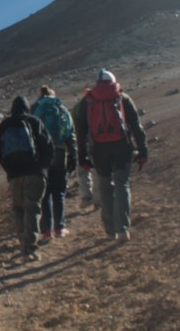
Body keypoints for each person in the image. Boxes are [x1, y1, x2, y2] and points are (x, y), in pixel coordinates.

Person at [77, 69, 148, 242]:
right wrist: (143, 150)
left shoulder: (87, 101)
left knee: (105, 186)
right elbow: (136, 127)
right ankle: (123, 229)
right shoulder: (122, 98)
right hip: (121, 147)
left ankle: (110, 230)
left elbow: (80, 132)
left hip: (99, 150)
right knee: (122, 185)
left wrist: (83, 157)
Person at [0, 96, 54, 261]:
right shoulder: (34, 121)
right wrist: (42, 168)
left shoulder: (4, 125)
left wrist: (10, 171)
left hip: (14, 176)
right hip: (35, 173)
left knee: (19, 209)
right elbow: (48, 148)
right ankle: (30, 247)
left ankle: (24, 244)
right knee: (33, 208)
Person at [31, 86, 77, 241]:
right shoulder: (61, 107)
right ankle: (60, 228)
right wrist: (73, 155)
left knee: (45, 193)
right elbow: (70, 132)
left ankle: (46, 231)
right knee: (59, 191)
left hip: (42, 155)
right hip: (59, 151)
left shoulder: (35, 109)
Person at [71, 88, 100, 209]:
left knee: (83, 169)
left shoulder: (78, 107)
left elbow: (77, 131)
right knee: (98, 170)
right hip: (98, 142)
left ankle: (86, 197)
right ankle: (99, 200)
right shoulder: (100, 103)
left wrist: (81, 153)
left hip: (85, 142)